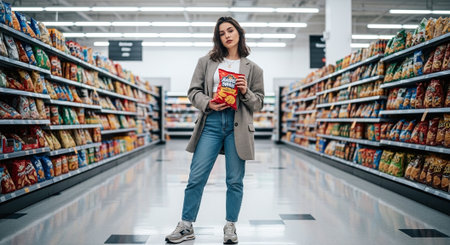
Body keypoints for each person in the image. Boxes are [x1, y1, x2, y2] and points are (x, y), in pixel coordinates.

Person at [165, 16, 264, 244]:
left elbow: (258, 103)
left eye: (230, 30)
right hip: (210, 123)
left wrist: (246, 91)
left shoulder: (253, 69)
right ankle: (186, 225)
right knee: (196, 176)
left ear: (239, 33)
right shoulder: (206, 62)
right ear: (218, 37)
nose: (227, 35)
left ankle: (230, 226)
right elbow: (193, 91)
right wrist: (207, 102)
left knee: (234, 180)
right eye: (222, 33)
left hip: (237, 125)